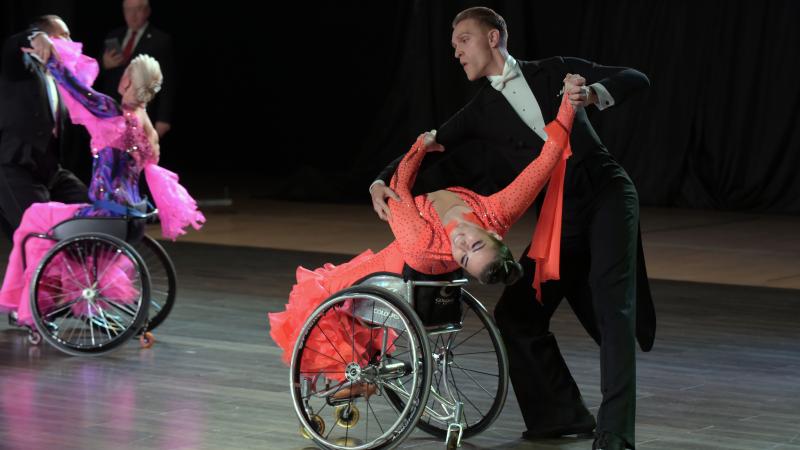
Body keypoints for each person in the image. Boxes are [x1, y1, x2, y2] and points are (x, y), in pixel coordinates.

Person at [369, 7, 656, 450]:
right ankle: (560, 416)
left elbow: (636, 77)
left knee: (611, 302)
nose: (456, 51)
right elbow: (427, 146)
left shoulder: (556, 71)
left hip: (605, 192)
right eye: (453, 45)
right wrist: (379, 182)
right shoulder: (481, 109)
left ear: (494, 36)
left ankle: (615, 434)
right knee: (517, 314)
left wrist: (592, 95)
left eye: (463, 39)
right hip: (563, 217)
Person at [269, 76, 578, 392]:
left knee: (315, 294)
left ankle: (346, 375)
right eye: (473, 245)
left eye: (463, 257)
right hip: (398, 276)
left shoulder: (424, 244)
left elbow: (399, 187)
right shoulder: (498, 212)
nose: (461, 246)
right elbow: (547, 159)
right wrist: (569, 104)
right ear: (494, 235)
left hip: (387, 274)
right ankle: (352, 369)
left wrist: (419, 148)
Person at [0, 37, 203, 326]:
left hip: (105, 217)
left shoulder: (112, 112)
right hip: (131, 220)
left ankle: (31, 310)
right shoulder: (148, 130)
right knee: (57, 220)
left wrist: (53, 62)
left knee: (34, 219)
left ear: (126, 83)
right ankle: (66, 302)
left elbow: (77, 90)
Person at [0, 15, 88, 240]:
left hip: (50, 169)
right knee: (41, 235)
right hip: (16, 165)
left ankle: (80, 269)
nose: (71, 41)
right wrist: (35, 37)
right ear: (49, 38)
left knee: (91, 211)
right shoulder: (22, 68)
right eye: (64, 35)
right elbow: (11, 46)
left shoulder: (59, 76)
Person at [98, 0, 175, 138]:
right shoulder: (113, 35)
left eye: (137, 9)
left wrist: (163, 119)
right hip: (113, 111)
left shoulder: (161, 40)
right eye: (128, 10)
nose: (132, 15)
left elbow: (168, 81)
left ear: (147, 11)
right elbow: (96, 75)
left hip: (143, 111)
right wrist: (103, 64)